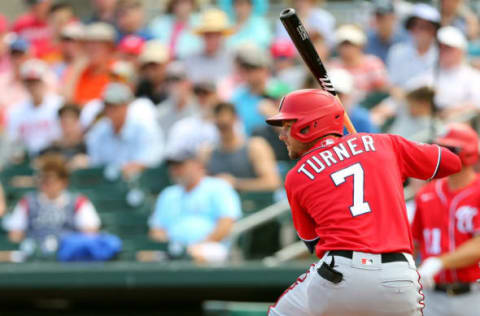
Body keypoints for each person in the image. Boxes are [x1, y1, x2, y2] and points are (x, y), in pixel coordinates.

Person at [265, 89, 462, 315]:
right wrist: (389, 161)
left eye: (288, 126)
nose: (282, 135)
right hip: (399, 278)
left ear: (309, 126)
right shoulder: (383, 143)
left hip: (340, 276)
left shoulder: (297, 176)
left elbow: (313, 242)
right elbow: (451, 163)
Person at [413, 123, 480, 316]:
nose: (442, 154)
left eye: (449, 149)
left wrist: (439, 263)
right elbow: (413, 242)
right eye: (440, 148)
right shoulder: (426, 194)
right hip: (431, 293)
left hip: (472, 294)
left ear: (467, 153)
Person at [149, 149, 242, 263]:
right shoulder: (168, 194)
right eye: (173, 167)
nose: (175, 170)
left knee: (200, 254)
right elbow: (157, 229)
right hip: (173, 248)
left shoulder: (218, 187)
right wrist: (170, 245)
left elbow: (226, 223)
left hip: (211, 246)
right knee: (146, 255)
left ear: (197, 165)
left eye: (180, 166)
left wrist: (200, 245)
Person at [3, 154, 101, 244]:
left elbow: (91, 232)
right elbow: (15, 234)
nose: (46, 184)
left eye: (51, 180)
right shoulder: (28, 201)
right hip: (35, 256)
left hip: (68, 257)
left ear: (63, 182)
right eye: (43, 179)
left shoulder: (78, 202)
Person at [86, 83, 164, 179]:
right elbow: (96, 165)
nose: (111, 110)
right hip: (108, 184)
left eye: (115, 105)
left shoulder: (144, 128)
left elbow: (152, 160)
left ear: (126, 106)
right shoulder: (99, 131)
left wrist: (128, 169)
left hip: (142, 182)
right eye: (108, 105)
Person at [206, 102, 280, 192]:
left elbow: (272, 183)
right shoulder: (208, 152)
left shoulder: (255, 147)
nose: (221, 121)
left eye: (225, 120)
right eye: (217, 117)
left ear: (235, 118)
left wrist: (236, 183)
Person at [6, 59, 62, 157]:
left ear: (44, 82)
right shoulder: (15, 111)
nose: (33, 86)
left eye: (36, 82)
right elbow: (14, 141)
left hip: (54, 154)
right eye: (29, 83)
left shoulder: (59, 105)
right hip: (26, 158)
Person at [387, 3, 440, 90]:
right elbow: (393, 86)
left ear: (434, 31)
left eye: (425, 27)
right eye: (414, 25)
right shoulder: (397, 52)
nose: (418, 30)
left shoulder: (442, 55)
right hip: (401, 101)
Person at [329, 24, 388, 101]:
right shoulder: (332, 66)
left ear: (360, 45)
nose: (346, 48)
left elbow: (382, 91)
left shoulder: (373, 63)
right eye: (343, 44)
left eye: (350, 44)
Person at [67, 22, 116, 106]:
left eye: (97, 44)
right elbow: (66, 101)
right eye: (87, 44)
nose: (91, 48)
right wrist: (76, 70)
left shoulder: (117, 70)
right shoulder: (80, 70)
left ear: (109, 47)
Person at [183, 8, 234, 84]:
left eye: (216, 35)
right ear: (202, 36)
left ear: (222, 36)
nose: (212, 39)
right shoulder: (190, 60)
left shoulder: (232, 60)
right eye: (208, 35)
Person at [328, 68, 379, 134]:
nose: (335, 98)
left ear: (349, 95)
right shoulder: (317, 119)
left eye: (339, 94)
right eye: (329, 93)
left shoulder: (363, 120)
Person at [40, 104, 88, 170]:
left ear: (77, 121)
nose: (67, 123)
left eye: (71, 119)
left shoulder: (87, 145)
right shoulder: (52, 148)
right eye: (64, 119)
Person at [157, 62, 198, 136]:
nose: (172, 84)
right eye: (168, 80)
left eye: (176, 79)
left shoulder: (199, 109)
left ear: (188, 82)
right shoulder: (160, 112)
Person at [135, 40, 170, 105]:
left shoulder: (174, 85)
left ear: (166, 64)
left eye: (154, 65)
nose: (150, 70)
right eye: (146, 65)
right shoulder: (141, 87)